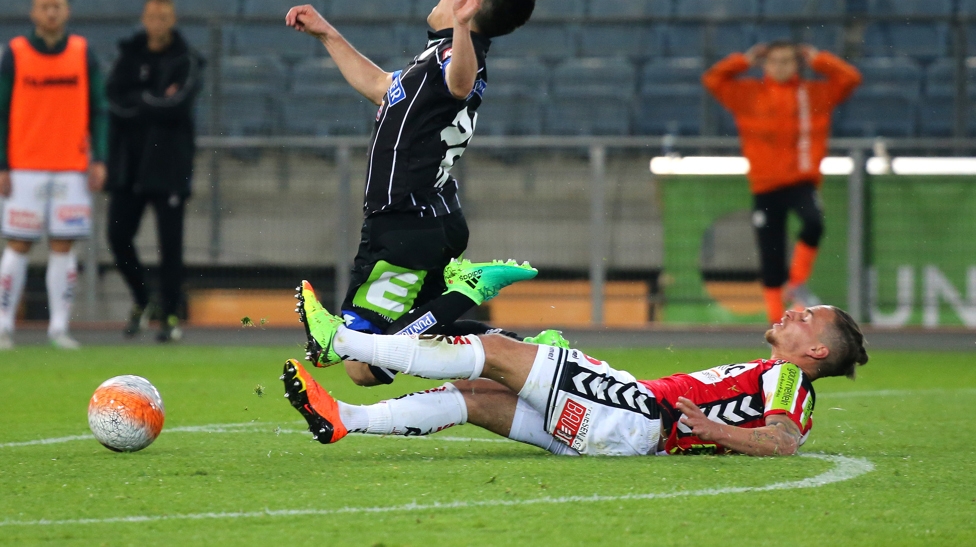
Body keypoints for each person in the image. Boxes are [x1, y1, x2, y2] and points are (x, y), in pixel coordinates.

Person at [285, 0, 558, 388]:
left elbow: (461, 83)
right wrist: (328, 34)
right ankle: (528, 349)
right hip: (430, 217)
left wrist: (465, 27)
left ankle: (467, 290)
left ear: (470, 1)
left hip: (404, 222)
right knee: (426, 332)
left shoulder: (458, 53)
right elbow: (380, 87)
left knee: (364, 363)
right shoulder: (437, 54)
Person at [283, 288, 868, 457]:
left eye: (809, 317)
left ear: (816, 353)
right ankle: (344, 418)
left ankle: (343, 339)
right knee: (477, 395)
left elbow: (782, 441)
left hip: (637, 414)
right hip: (622, 433)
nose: (796, 310)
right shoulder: (774, 373)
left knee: (493, 348)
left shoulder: (789, 380)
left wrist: (712, 431)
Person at [702, 41, 861, 325]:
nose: (781, 67)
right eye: (774, 61)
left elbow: (850, 79)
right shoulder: (747, 93)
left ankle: (796, 282)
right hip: (764, 186)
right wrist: (743, 60)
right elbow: (712, 79)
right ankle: (777, 323)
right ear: (764, 64)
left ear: (797, 64)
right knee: (770, 254)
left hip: (801, 181)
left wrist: (819, 59)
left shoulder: (814, 93)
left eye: (787, 61)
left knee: (814, 222)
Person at [0, 0, 108, 351]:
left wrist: (100, 158)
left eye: (57, 6)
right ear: (33, 12)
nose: (50, 12)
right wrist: (2, 164)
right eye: (44, 6)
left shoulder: (82, 53)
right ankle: (3, 327)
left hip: (70, 167)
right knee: (18, 244)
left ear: (66, 11)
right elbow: (0, 112)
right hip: (24, 167)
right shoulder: (14, 54)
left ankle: (59, 328)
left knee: (64, 246)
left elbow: (99, 110)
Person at [105, 0, 204, 343]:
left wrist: (140, 99)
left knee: (170, 245)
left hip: (168, 165)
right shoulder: (129, 54)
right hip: (129, 165)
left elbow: (178, 104)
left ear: (171, 19)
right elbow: (114, 100)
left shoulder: (187, 59)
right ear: (144, 18)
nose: (157, 23)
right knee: (117, 236)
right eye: (152, 16)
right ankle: (143, 299)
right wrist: (153, 100)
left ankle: (171, 312)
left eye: (164, 17)